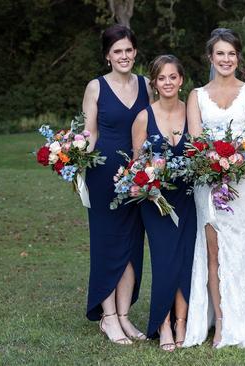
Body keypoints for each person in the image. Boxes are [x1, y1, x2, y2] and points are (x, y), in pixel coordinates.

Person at [182, 28, 245, 349]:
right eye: (220, 53)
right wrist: (213, 163)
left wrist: (237, 159)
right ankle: (221, 322)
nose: (226, 59)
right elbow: (195, 145)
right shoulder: (195, 95)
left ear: (239, 57)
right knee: (213, 250)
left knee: (243, 245)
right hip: (207, 183)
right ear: (211, 57)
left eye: (231, 54)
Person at [81, 24, 152, 345]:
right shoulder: (95, 87)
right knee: (107, 245)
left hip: (137, 178)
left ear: (135, 52)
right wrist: (71, 154)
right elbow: (90, 133)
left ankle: (124, 315)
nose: (123, 56)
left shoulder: (147, 85)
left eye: (128, 50)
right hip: (103, 176)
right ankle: (108, 317)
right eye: (117, 52)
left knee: (132, 247)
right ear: (107, 56)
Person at [131, 55, 196, 352]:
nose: (167, 82)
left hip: (187, 198)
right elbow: (137, 165)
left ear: (181, 80)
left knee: (185, 260)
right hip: (157, 202)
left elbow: (200, 152)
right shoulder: (144, 117)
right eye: (161, 78)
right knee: (164, 260)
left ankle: (182, 322)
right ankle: (163, 322)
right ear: (154, 84)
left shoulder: (191, 111)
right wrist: (146, 183)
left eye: (173, 77)